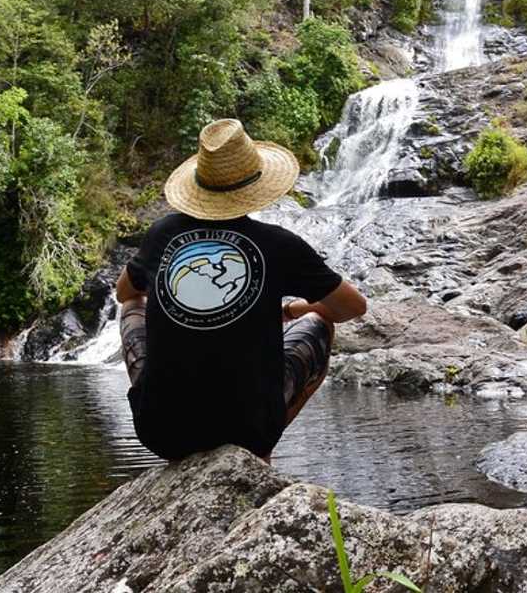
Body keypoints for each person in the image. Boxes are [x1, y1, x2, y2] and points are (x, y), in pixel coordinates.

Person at [115, 118, 366, 463]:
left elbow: (124, 293)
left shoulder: (162, 233)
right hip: (249, 430)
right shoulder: (280, 244)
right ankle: (260, 452)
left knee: (132, 306)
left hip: (161, 431)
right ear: (257, 185)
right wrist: (294, 310)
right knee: (321, 324)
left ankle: (171, 417)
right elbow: (352, 307)